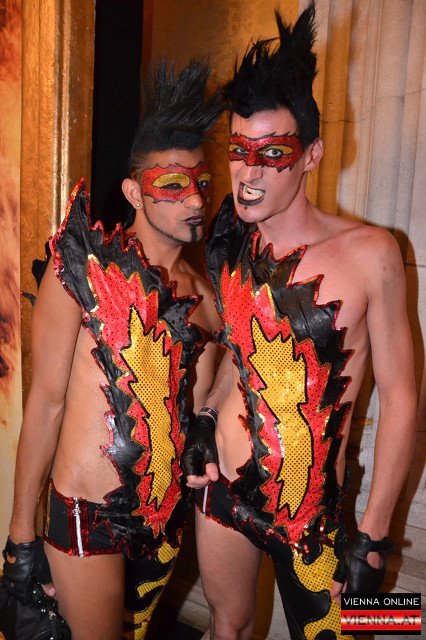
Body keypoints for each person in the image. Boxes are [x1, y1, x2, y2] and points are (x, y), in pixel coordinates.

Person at [182, 4, 417, 639]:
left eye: (272, 152)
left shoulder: (373, 252)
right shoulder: (233, 242)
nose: (249, 172)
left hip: (318, 514)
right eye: (239, 150)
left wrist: (375, 539)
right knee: (227, 626)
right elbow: (239, 353)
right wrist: (205, 417)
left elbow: (402, 398)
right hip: (223, 487)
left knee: (368, 632)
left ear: (311, 154)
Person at [2, 60, 221, 640]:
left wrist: (208, 420)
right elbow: (46, 402)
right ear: (133, 191)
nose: (194, 199)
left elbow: (207, 397)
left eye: (202, 183)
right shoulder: (84, 271)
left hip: (165, 518)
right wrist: (20, 535)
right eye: (172, 185)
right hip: (86, 513)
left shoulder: (208, 299)